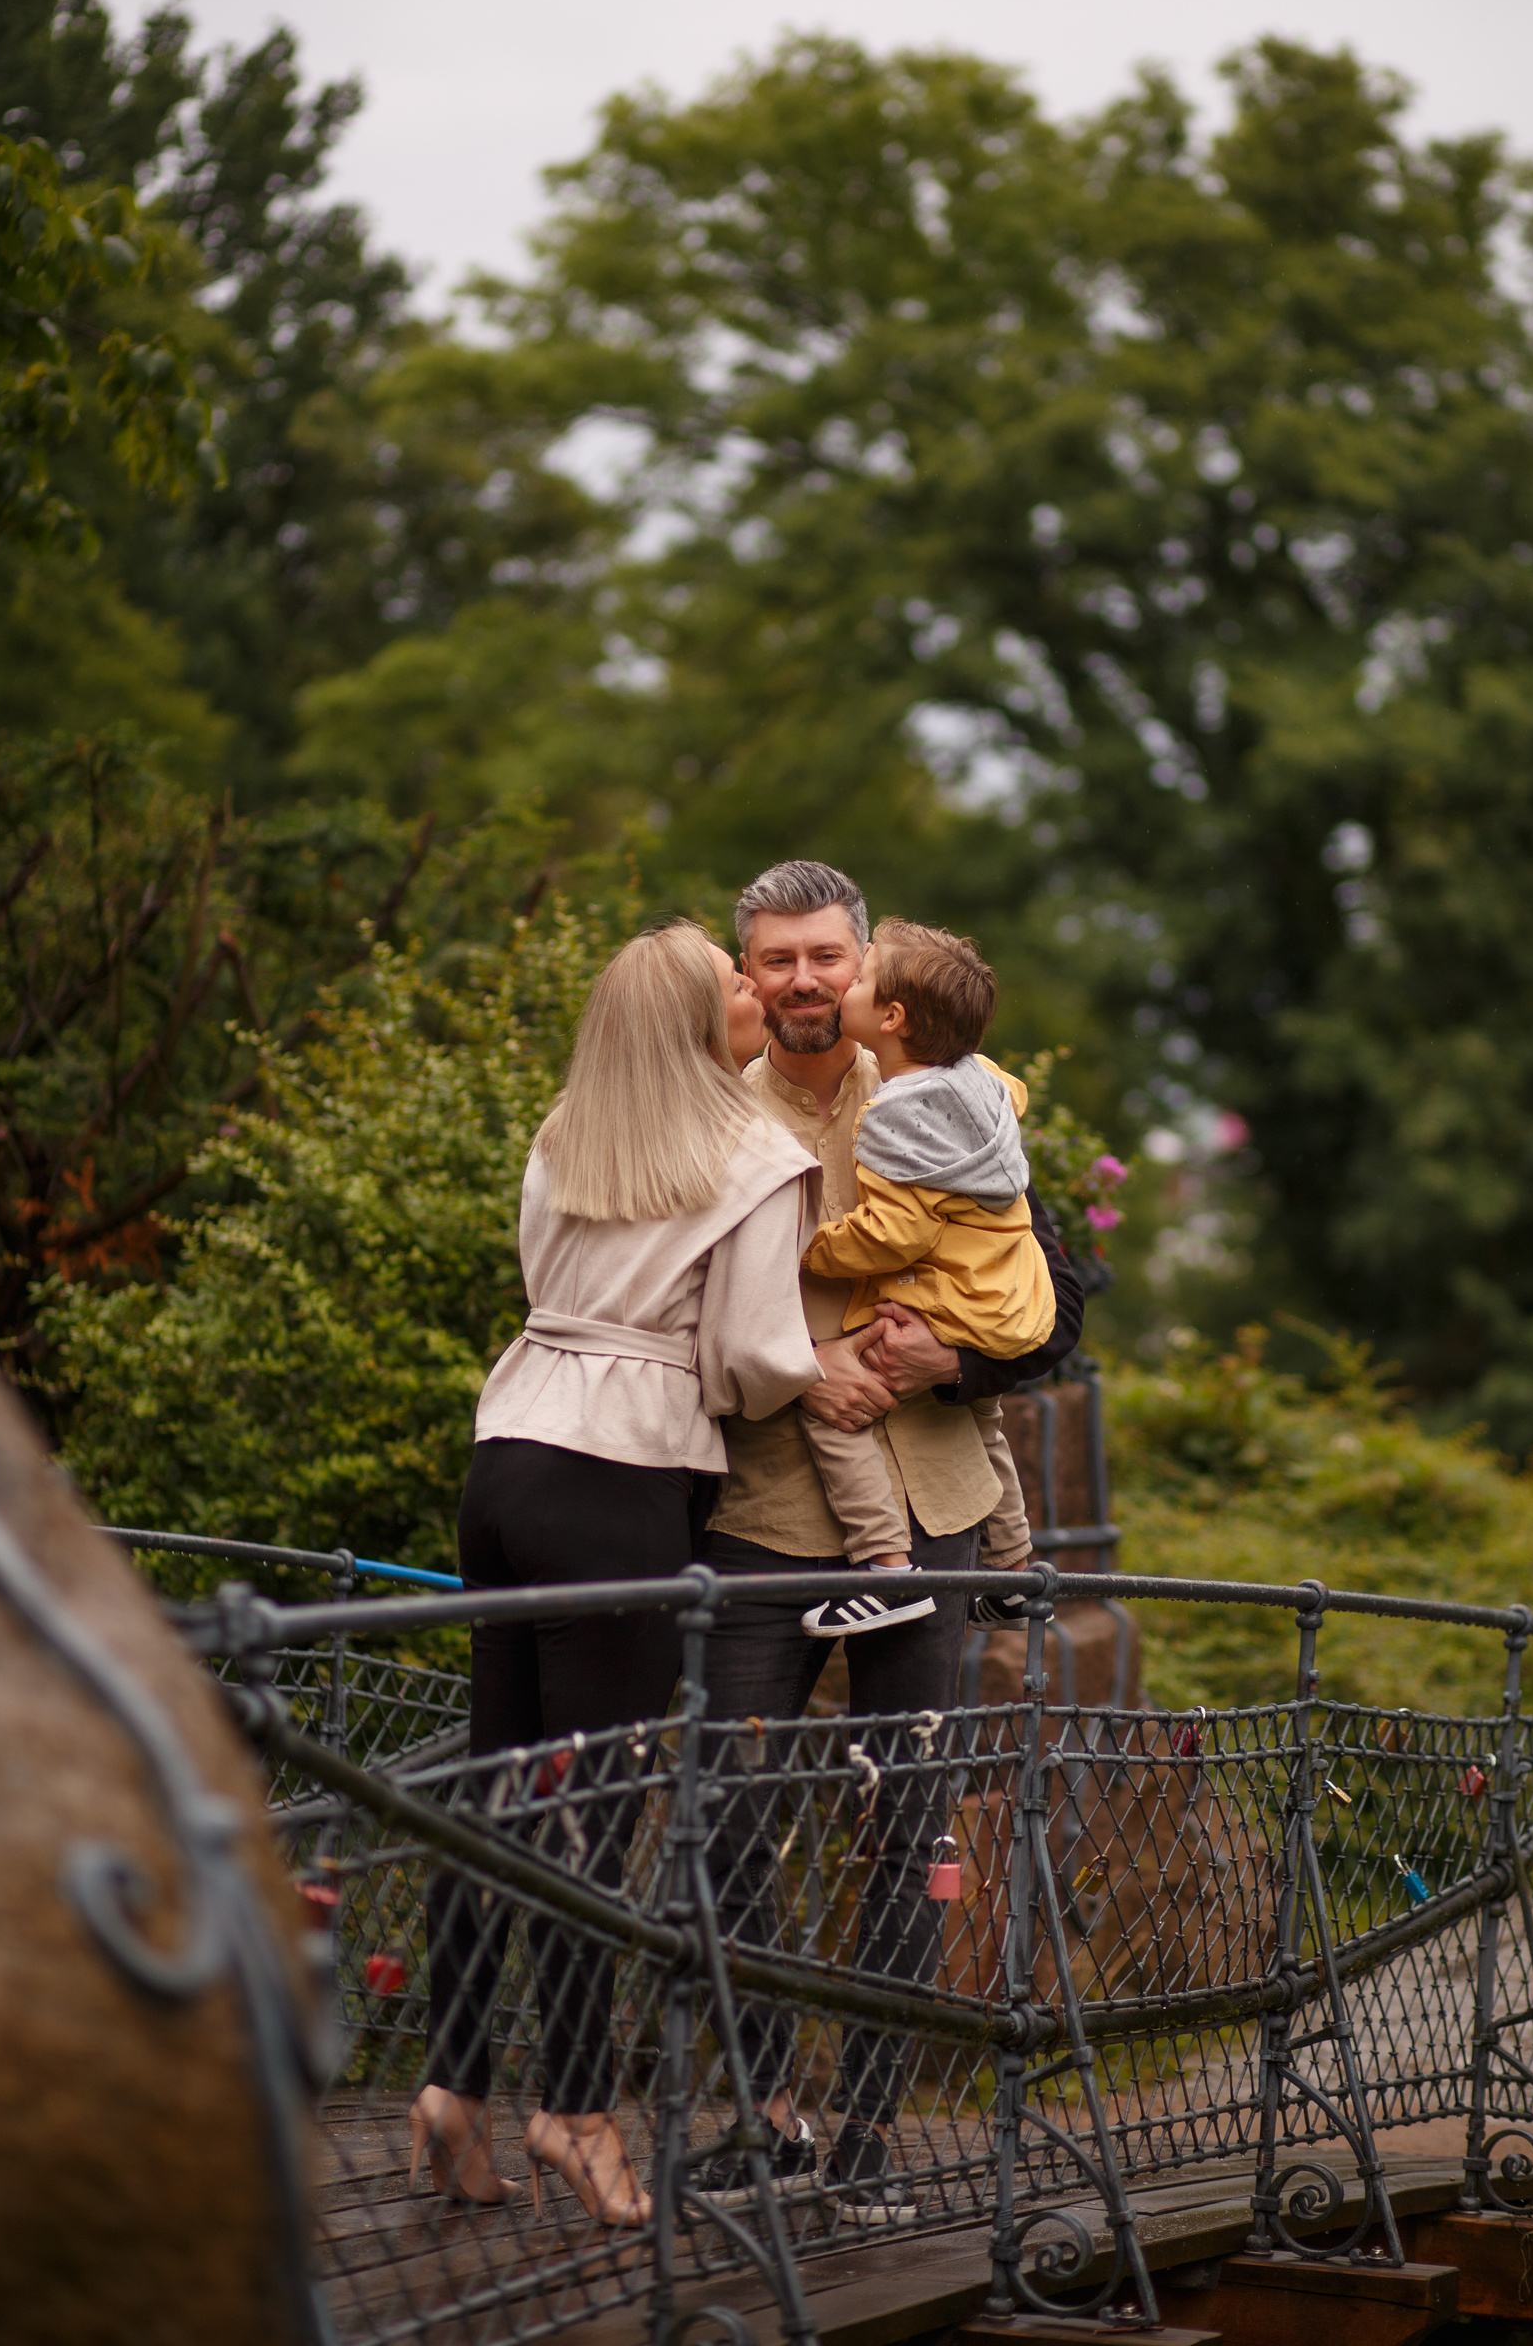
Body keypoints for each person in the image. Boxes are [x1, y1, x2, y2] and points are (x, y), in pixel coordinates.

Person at [408, 922, 821, 2230]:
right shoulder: (759, 1159)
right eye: (736, 980)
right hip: (620, 1480)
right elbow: (756, 1356)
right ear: (703, 1022)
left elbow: (551, 1282)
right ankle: (577, 2111)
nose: (758, 991)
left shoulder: (564, 1130)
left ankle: (452, 2089)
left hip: (506, 1458)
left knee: (500, 1791)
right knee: (602, 1801)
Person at [693, 860, 1085, 2225]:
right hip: (751, 1513)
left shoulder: (940, 1093)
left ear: (862, 969)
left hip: (925, 1519)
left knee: (908, 1828)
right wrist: (806, 1368)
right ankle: (763, 2114)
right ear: (742, 975)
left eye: (822, 956)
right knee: (726, 1817)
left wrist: (948, 1367)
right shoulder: (702, 1114)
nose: (799, 980)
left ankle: (863, 2133)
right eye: (772, 960)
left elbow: (1050, 1304)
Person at [794, 917, 1053, 1638]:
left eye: (859, 973)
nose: (841, 982)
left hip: (956, 1305)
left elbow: (894, 1234)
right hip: (1011, 1295)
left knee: (835, 1395)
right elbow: (1017, 1096)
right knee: (982, 1413)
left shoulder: (897, 1119)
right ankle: (1013, 1568)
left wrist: (814, 1249)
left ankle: (884, 1569)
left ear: (891, 1017)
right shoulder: (980, 1080)